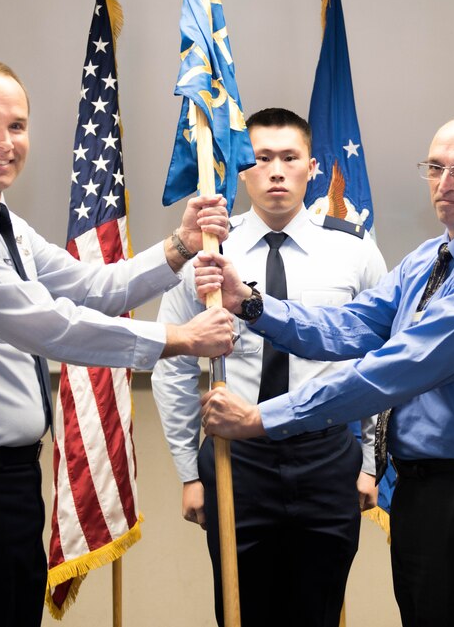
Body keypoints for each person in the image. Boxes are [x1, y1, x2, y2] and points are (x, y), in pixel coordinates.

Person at [0, 59, 236, 627]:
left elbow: (93, 286)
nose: (6, 142)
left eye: (17, 126)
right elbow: (48, 324)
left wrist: (181, 245)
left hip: (4, 489)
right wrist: (179, 338)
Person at [197, 115, 454, 627]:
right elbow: (356, 324)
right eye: (435, 167)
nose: (444, 183)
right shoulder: (432, 256)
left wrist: (262, 420)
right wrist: (252, 304)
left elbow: (396, 368)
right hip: (424, 489)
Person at [153, 108, 387, 627]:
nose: (276, 171)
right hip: (237, 459)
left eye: (289, 157)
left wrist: (371, 463)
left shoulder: (354, 249)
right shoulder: (208, 252)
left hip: (326, 455)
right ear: (241, 170)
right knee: (241, 611)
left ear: (314, 167)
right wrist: (189, 473)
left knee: (318, 611)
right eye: (261, 159)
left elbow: (383, 359)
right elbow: (173, 366)